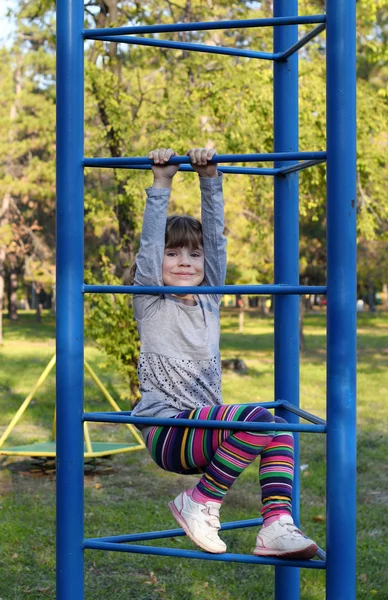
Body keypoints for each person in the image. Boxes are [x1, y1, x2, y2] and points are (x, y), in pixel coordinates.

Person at [131, 146, 318, 559]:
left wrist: (210, 179)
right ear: (156, 263)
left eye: (193, 255)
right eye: (173, 253)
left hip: (206, 431)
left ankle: (275, 524)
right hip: (168, 432)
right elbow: (149, 246)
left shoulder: (210, 298)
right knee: (259, 418)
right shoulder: (151, 299)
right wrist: (161, 183)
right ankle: (201, 500)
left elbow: (215, 242)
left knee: (281, 429)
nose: (185, 262)